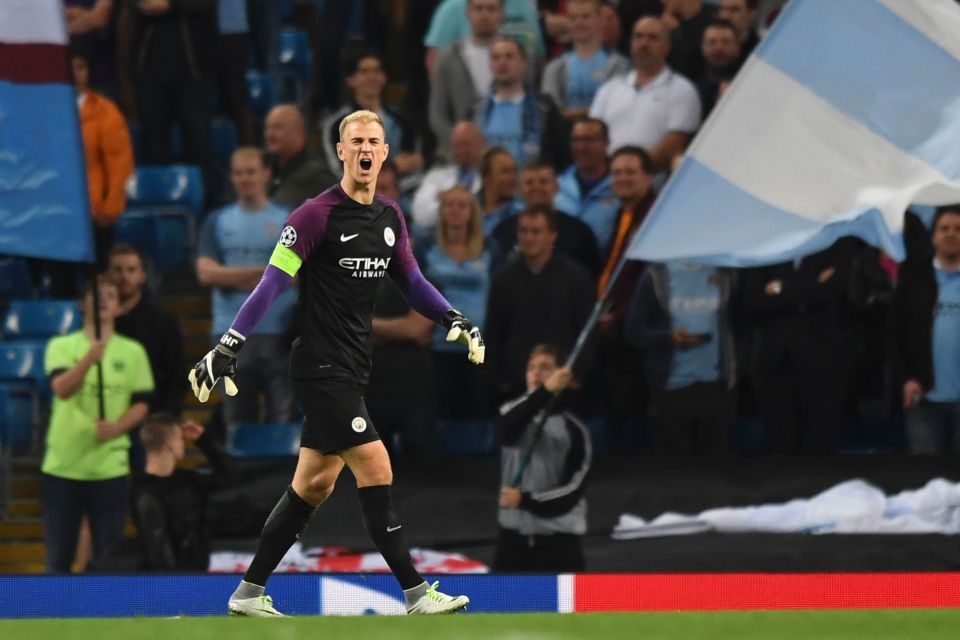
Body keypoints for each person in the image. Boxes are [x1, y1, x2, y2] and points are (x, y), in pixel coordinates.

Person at [188, 110, 483, 616]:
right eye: (356, 142)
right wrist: (228, 344)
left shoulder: (390, 217)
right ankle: (415, 593)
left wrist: (451, 316)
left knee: (313, 484)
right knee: (376, 463)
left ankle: (249, 592)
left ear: (385, 152)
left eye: (375, 141)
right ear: (342, 153)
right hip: (319, 366)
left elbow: (411, 281)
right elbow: (272, 283)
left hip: (353, 366)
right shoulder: (313, 215)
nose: (366, 149)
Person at [42, 275, 154, 573]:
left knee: (108, 556)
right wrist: (89, 359)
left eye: (110, 295)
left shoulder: (133, 352)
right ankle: (54, 613)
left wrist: (117, 428)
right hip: (63, 465)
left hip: (109, 467)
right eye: (96, 294)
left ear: (119, 307)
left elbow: (142, 402)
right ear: (82, 304)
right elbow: (61, 388)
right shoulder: (62, 346)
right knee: (58, 557)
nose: (103, 300)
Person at [196, 147, 297, 428]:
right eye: (238, 173)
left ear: (266, 173)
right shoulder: (216, 221)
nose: (244, 178)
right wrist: (266, 274)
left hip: (281, 331)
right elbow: (206, 274)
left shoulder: (289, 218)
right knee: (237, 422)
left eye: (250, 171)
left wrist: (230, 276)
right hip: (230, 333)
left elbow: (298, 274)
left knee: (285, 420)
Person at [493, 344, 591, 572]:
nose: (536, 373)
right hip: (512, 543)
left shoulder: (575, 429)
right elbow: (505, 432)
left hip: (560, 544)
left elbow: (572, 491)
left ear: (562, 375)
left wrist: (525, 500)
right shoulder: (510, 411)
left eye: (545, 367)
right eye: (531, 368)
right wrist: (544, 393)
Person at [623, 262, 737, 455]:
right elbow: (633, 333)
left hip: (715, 387)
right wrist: (668, 338)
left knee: (717, 475)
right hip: (670, 390)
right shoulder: (656, 276)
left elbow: (740, 322)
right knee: (675, 478)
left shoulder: (725, 272)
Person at [485, 204, 595, 402]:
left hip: (563, 386)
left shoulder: (576, 278)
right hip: (516, 386)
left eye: (536, 232)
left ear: (552, 236)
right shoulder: (503, 281)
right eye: (523, 231)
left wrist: (578, 375)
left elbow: (588, 332)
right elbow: (493, 335)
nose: (528, 238)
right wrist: (499, 378)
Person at [421, 185, 501, 420]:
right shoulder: (425, 249)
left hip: (478, 351)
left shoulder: (490, 249)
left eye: (462, 205)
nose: (455, 211)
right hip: (437, 351)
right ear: (441, 211)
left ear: (472, 212)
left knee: (476, 419)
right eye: (449, 205)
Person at [589, 16, 701, 175]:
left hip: (654, 185)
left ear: (667, 46)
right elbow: (593, 135)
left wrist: (633, 173)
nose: (644, 43)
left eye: (652, 38)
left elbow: (676, 143)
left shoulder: (683, 90)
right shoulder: (609, 89)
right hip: (607, 181)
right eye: (638, 36)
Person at [894, 205, 960, 454]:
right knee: (926, 483)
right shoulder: (914, 279)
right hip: (924, 400)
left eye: (958, 229)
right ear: (933, 237)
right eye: (944, 229)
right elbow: (895, 334)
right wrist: (906, 378)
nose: (951, 234)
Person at [130, 413, 234, 571]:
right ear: (170, 445)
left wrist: (204, 440)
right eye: (180, 438)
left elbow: (230, 476)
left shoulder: (188, 479)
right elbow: (157, 547)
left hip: (195, 574)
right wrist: (176, 584)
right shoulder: (145, 491)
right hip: (170, 582)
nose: (183, 442)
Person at [73, 48, 134, 268]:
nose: (74, 73)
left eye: (80, 67)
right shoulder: (42, 114)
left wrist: (110, 208)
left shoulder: (106, 112)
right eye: (68, 67)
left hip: (96, 214)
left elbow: (120, 163)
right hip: (55, 216)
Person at [108, 244, 185, 416]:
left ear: (143, 276)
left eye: (131, 270)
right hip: (108, 415)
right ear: (108, 275)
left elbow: (176, 377)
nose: (124, 276)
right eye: (118, 270)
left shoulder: (164, 321)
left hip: (152, 416)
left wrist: (165, 417)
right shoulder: (98, 321)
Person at [474, 37, 570, 170]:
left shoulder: (544, 108)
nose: (502, 63)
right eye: (496, 58)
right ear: (490, 65)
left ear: (523, 63)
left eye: (509, 57)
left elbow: (562, 153)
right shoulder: (476, 110)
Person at [428, 0, 503, 155]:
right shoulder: (448, 57)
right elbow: (437, 112)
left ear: (502, 14)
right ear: (468, 12)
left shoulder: (514, 56)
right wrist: (459, 145)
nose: (484, 15)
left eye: (491, 9)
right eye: (479, 8)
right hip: (458, 153)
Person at [541, 0, 630, 122]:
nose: (579, 23)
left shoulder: (618, 65)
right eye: (573, 18)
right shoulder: (555, 68)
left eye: (585, 17)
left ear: (599, 19)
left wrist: (572, 114)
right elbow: (550, 114)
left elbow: (616, 108)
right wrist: (591, 111)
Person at [411, 121, 486, 237]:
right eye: (456, 146)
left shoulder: (489, 176)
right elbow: (420, 216)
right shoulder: (436, 176)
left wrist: (445, 199)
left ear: (481, 144)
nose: (461, 150)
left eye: (466, 144)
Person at [264, 104, 337, 210]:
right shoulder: (264, 169)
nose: (270, 134)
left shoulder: (317, 174)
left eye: (277, 127)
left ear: (298, 132)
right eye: (268, 128)